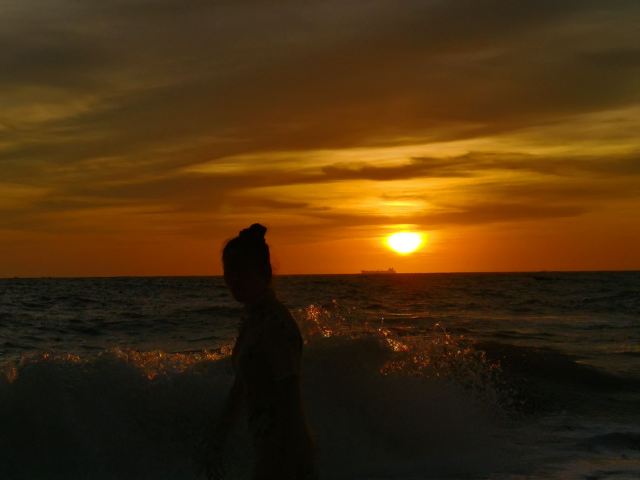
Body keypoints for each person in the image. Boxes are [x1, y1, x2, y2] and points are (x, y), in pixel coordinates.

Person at [204, 223, 317, 480]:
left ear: (263, 273)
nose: (234, 279)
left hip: (285, 452)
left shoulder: (275, 324)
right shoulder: (253, 320)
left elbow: (290, 398)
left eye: (242, 271)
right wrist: (219, 436)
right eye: (229, 271)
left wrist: (301, 458)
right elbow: (242, 385)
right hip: (266, 447)